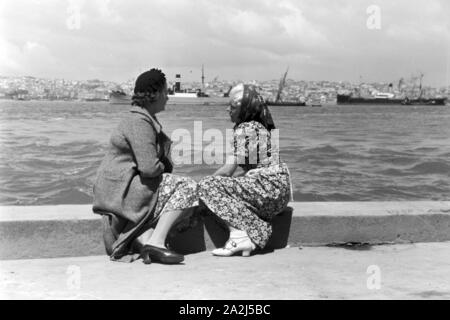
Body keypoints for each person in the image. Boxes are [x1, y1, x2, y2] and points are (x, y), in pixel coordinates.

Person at [92, 68, 197, 264]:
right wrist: (164, 166)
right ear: (155, 94)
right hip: (120, 194)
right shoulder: (139, 122)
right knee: (188, 186)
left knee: (175, 186)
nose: (168, 97)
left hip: (119, 189)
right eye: (166, 92)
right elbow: (149, 168)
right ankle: (155, 242)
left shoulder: (140, 118)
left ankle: (143, 238)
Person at [197, 83, 292, 257]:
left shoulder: (245, 128)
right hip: (279, 193)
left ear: (244, 109)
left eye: (232, 107)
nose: (227, 110)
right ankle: (255, 230)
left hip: (267, 189)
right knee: (218, 186)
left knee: (206, 186)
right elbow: (243, 172)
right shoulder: (258, 126)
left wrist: (201, 189)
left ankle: (240, 236)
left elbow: (227, 171)